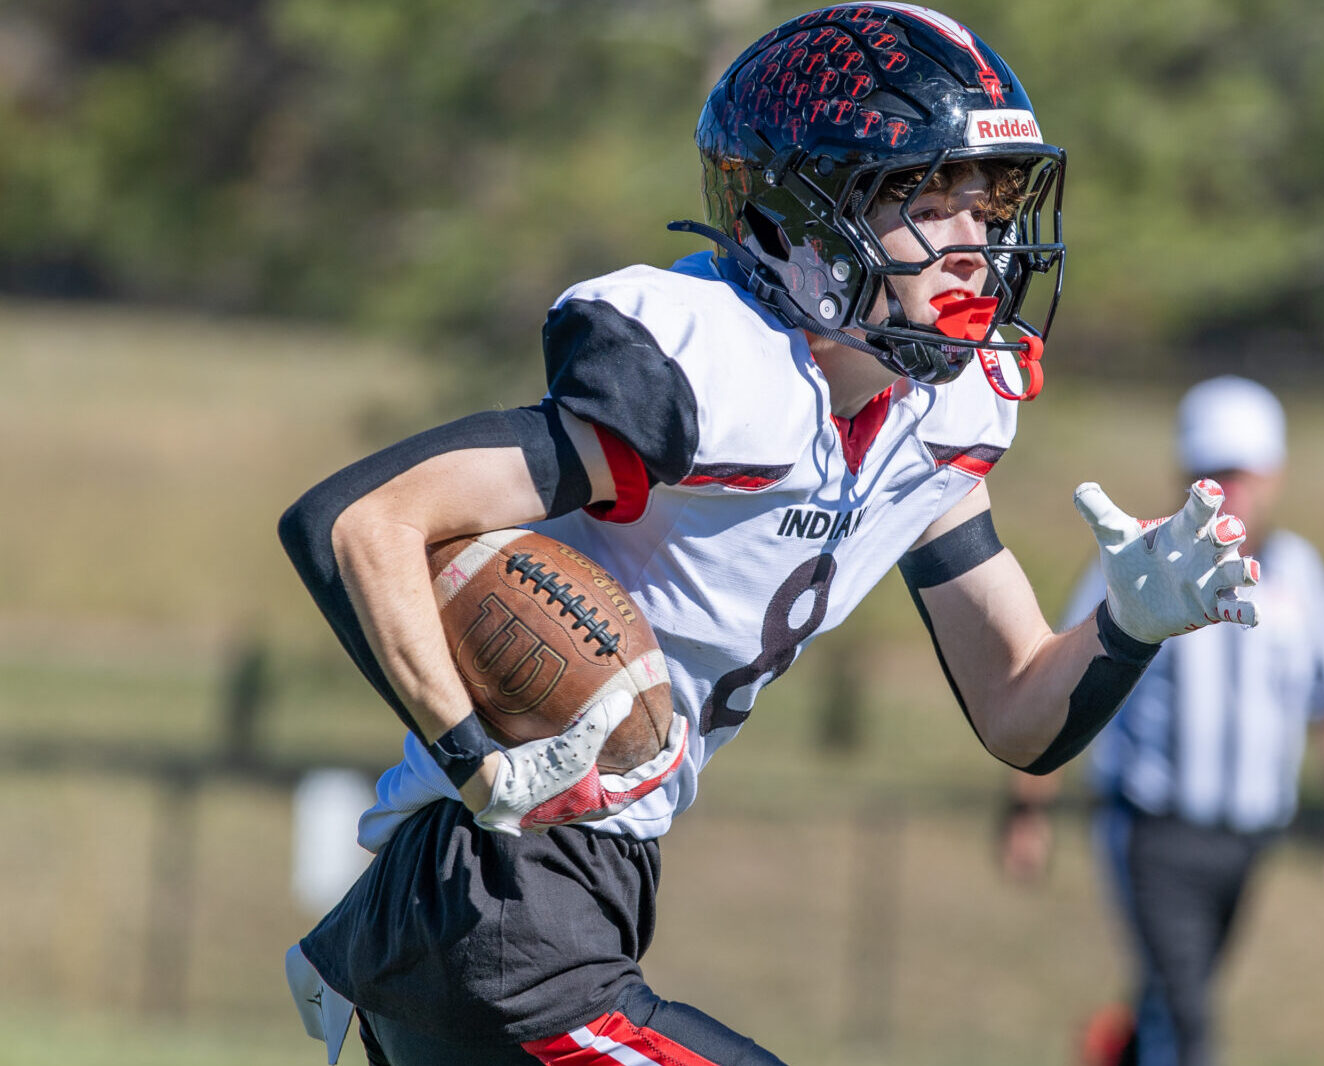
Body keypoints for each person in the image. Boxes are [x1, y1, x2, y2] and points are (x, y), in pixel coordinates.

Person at [277, 8, 1264, 1065]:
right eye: (929, 204)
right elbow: (358, 519)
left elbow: (1019, 707)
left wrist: (1127, 625)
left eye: (987, 207)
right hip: (494, 901)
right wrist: (475, 759)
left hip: (577, 899)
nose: (974, 247)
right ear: (793, 226)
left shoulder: (935, 421)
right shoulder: (705, 380)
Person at [1000, 376, 1324, 1066]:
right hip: (1153, 831)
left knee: (1172, 1001)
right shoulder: (1140, 570)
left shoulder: (1306, 578)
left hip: (1248, 840)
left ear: (1274, 475)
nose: (1231, 489)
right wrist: (1028, 811)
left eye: (1243, 472)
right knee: (1187, 1020)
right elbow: (1057, 686)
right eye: (1214, 472)